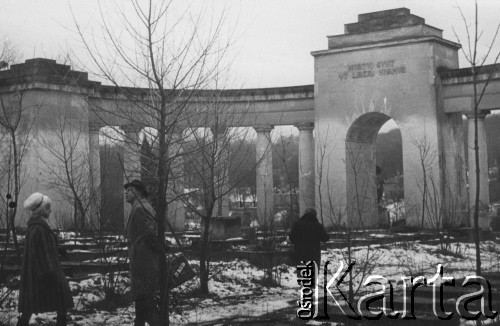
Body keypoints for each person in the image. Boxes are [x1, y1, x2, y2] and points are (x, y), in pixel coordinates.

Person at [17, 192, 73, 326]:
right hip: (44, 273)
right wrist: (50, 273)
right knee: (62, 300)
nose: (50, 210)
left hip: (36, 274)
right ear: (42, 210)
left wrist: (58, 249)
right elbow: (41, 252)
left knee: (29, 307)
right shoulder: (39, 227)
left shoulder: (36, 225)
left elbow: (43, 246)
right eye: (48, 208)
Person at [125, 180, 162, 326]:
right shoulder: (140, 206)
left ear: (138, 192)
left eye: (129, 190)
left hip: (143, 262)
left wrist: (160, 250)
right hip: (143, 260)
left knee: (143, 301)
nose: (126, 193)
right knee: (144, 303)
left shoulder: (140, 208)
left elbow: (148, 235)